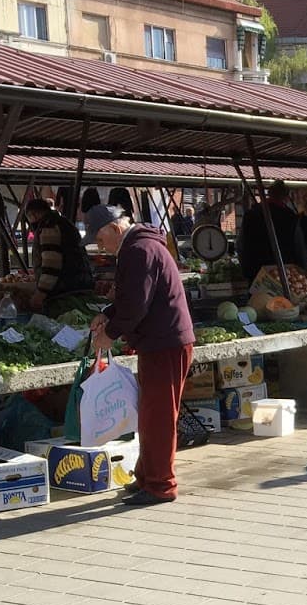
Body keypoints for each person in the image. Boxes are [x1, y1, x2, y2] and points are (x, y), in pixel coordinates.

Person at [88, 207, 196, 507]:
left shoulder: (139, 249)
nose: (100, 246)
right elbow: (133, 299)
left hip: (166, 342)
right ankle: (147, 477)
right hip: (159, 342)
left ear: (114, 228)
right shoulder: (140, 246)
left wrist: (110, 334)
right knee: (150, 415)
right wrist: (106, 314)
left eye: (100, 238)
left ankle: (161, 484)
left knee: (159, 416)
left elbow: (136, 305)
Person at [23, 197, 97, 311]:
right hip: (80, 286)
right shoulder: (64, 222)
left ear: (33, 215)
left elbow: (51, 265)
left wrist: (40, 293)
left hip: (65, 293)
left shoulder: (49, 226)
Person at [238, 180, 307, 283]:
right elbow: (300, 248)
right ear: (286, 197)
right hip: (284, 275)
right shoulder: (290, 218)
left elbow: (241, 246)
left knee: (258, 299)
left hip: (256, 274)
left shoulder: (251, 214)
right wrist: (303, 272)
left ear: (269, 194)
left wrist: (245, 271)